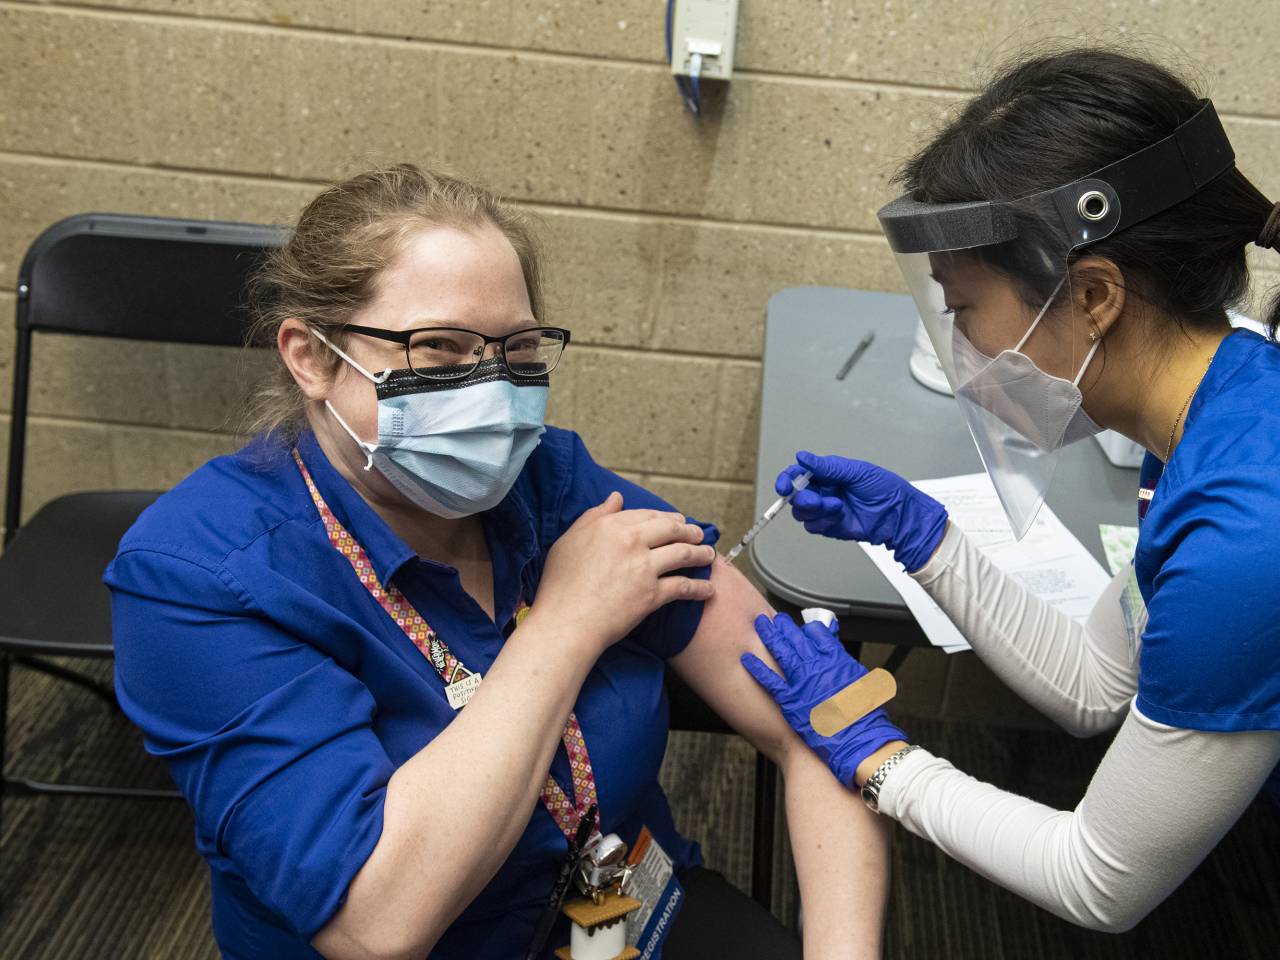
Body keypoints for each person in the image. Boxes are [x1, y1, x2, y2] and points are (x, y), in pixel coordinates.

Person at [741, 49, 1280, 959]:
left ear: (1095, 294)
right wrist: (922, 537)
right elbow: (1095, 684)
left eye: (962, 308)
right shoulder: (1223, 414)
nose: (955, 343)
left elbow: (1098, 879)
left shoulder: (1266, 532)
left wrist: (877, 759)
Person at [105, 165, 890, 960]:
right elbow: (376, 923)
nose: (489, 392)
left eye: (516, 350)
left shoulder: (550, 484)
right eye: (438, 347)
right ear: (312, 357)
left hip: (615, 915)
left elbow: (823, 729)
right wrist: (566, 625)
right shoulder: (198, 577)